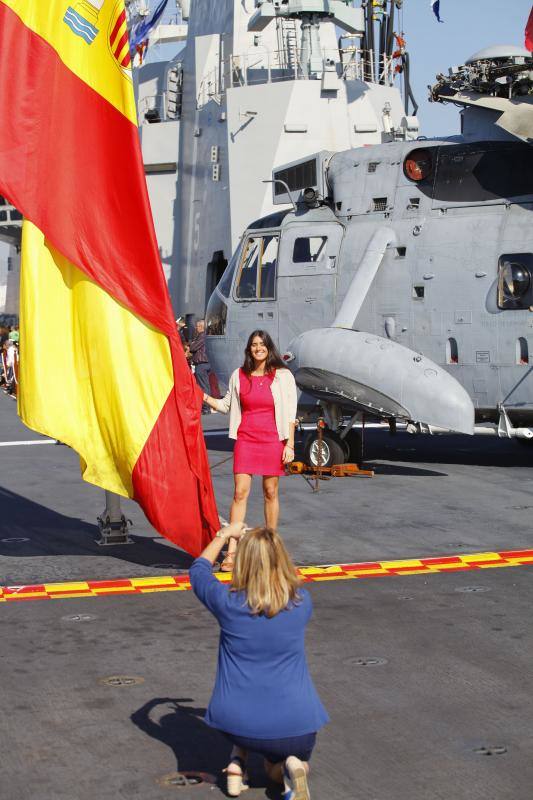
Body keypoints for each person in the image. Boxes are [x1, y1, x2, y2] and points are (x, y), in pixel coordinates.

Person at [189, 524, 329, 799]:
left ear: (243, 562)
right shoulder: (302, 602)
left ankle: (236, 764)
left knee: (252, 737)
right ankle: (291, 767)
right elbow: (289, 578)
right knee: (278, 763)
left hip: (238, 723)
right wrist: (265, 541)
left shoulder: (228, 603)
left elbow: (198, 570)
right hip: (298, 724)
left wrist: (225, 535)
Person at [203, 330, 297, 571]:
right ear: (249, 349)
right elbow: (226, 405)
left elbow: (290, 414)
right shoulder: (239, 375)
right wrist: (201, 396)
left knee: (270, 491)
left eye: (262, 344)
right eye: (254, 345)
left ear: (269, 348)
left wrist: (290, 444)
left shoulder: (283, 376)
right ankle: (232, 552)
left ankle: (272, 546)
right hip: (246, 439)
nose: (258, 348)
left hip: (272, 440)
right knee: (240, 494)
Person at [189, 318, 211, 414]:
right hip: (203, 363)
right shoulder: (203, 336)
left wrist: (192, 344)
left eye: (197, 326)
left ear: (201, 327)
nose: (196, 328)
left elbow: (193, 348)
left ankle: (206, 407)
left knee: (203, 386)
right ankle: (206, 406)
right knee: (204, 385)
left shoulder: (202, 336)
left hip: (202, 363)